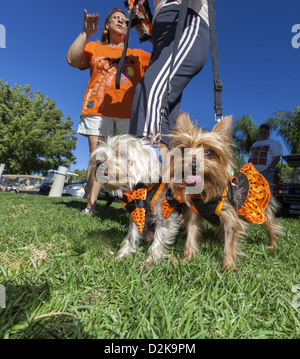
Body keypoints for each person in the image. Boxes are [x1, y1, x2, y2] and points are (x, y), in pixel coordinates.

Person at [67, 8, 151, 215]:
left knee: (129, 158)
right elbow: (72, 60)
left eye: (125, 19)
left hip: (129, 113)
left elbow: (165, 56)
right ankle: (91, 206)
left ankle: (133, 207)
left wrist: (145, 29)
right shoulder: (95, 48)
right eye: (115, 18)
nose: (121, 21)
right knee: (98, 157)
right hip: (97, 109)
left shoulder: (138, 55)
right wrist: (86, 32)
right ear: (106, 26)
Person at [129, 0, 210, 157]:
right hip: (162, 36)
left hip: (188, 18)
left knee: (149, 90)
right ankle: (163, 172)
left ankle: (143, 160)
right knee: (166, 110)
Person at [248, 124, 283, 193]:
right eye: (261, 132)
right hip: (254, 173)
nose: (262, 134)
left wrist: (269, 168)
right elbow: (250, 157)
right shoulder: (255, 144)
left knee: (266, 193)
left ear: (268, 133)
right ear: (259, 133)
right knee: (254, 193)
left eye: (265, 132)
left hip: (266, 172)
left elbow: (277, 157)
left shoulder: (273, 143)